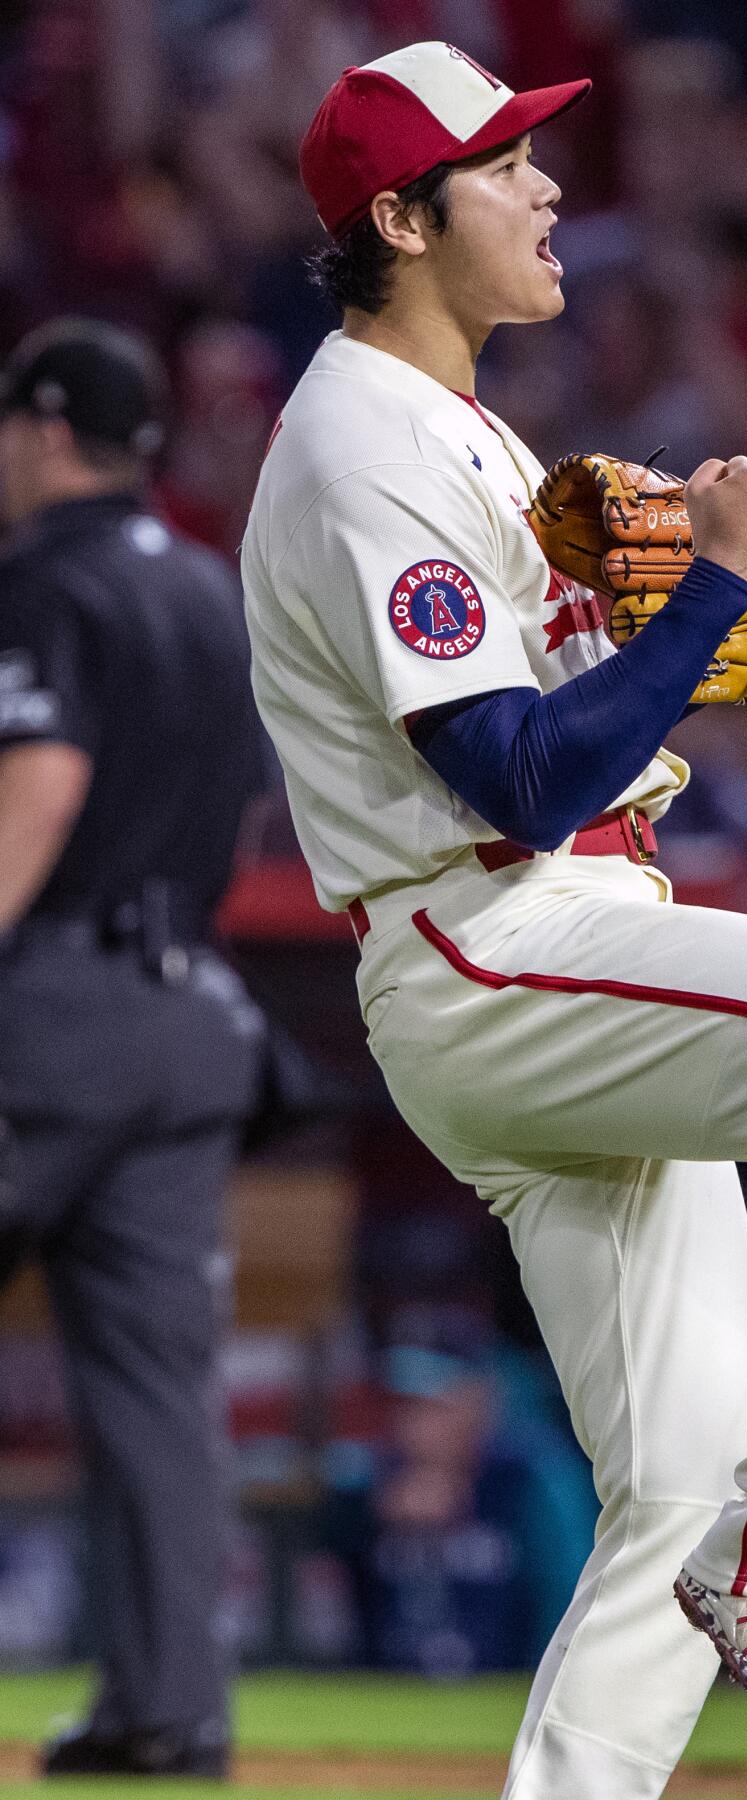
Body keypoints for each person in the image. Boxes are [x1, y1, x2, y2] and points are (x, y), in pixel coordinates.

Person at [242, 41, 747, 1799]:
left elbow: (570, 736)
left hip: (539, 931)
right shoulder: (364, 442)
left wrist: (641, 630)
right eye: (504, 162)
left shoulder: (467, 431)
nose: (547, 185)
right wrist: (718, 583)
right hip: (494, 942)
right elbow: (514, 780)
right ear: (400, 218)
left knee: (668, 1488)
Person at [0, 318, 266, 1779]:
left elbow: (40, 786)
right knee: (160, 1390)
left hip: (49, 1008)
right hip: (186, 1010)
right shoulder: (209, 592)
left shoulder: (43, 577)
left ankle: (158, 1706)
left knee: (154, 1384)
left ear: (44, 429)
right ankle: (169, 1713)